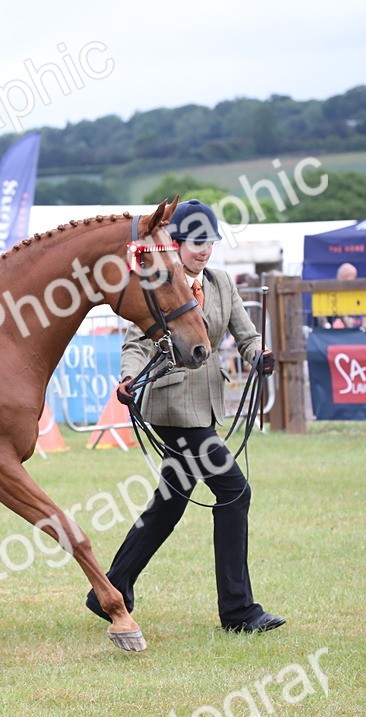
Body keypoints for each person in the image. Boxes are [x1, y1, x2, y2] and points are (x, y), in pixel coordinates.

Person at [85, 199, 285, 633]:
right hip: (172, 409)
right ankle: (238, 611)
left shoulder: (221, 284)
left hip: (206, 408)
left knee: (169, 506)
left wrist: (258, 355)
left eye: (209, 242)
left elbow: (245, 335)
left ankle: (110, 588)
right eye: (196, 243)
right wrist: (129, 379)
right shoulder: (159, 283)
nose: (204, 251)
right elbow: (136, 345)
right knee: (234, 490)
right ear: (175, 243)